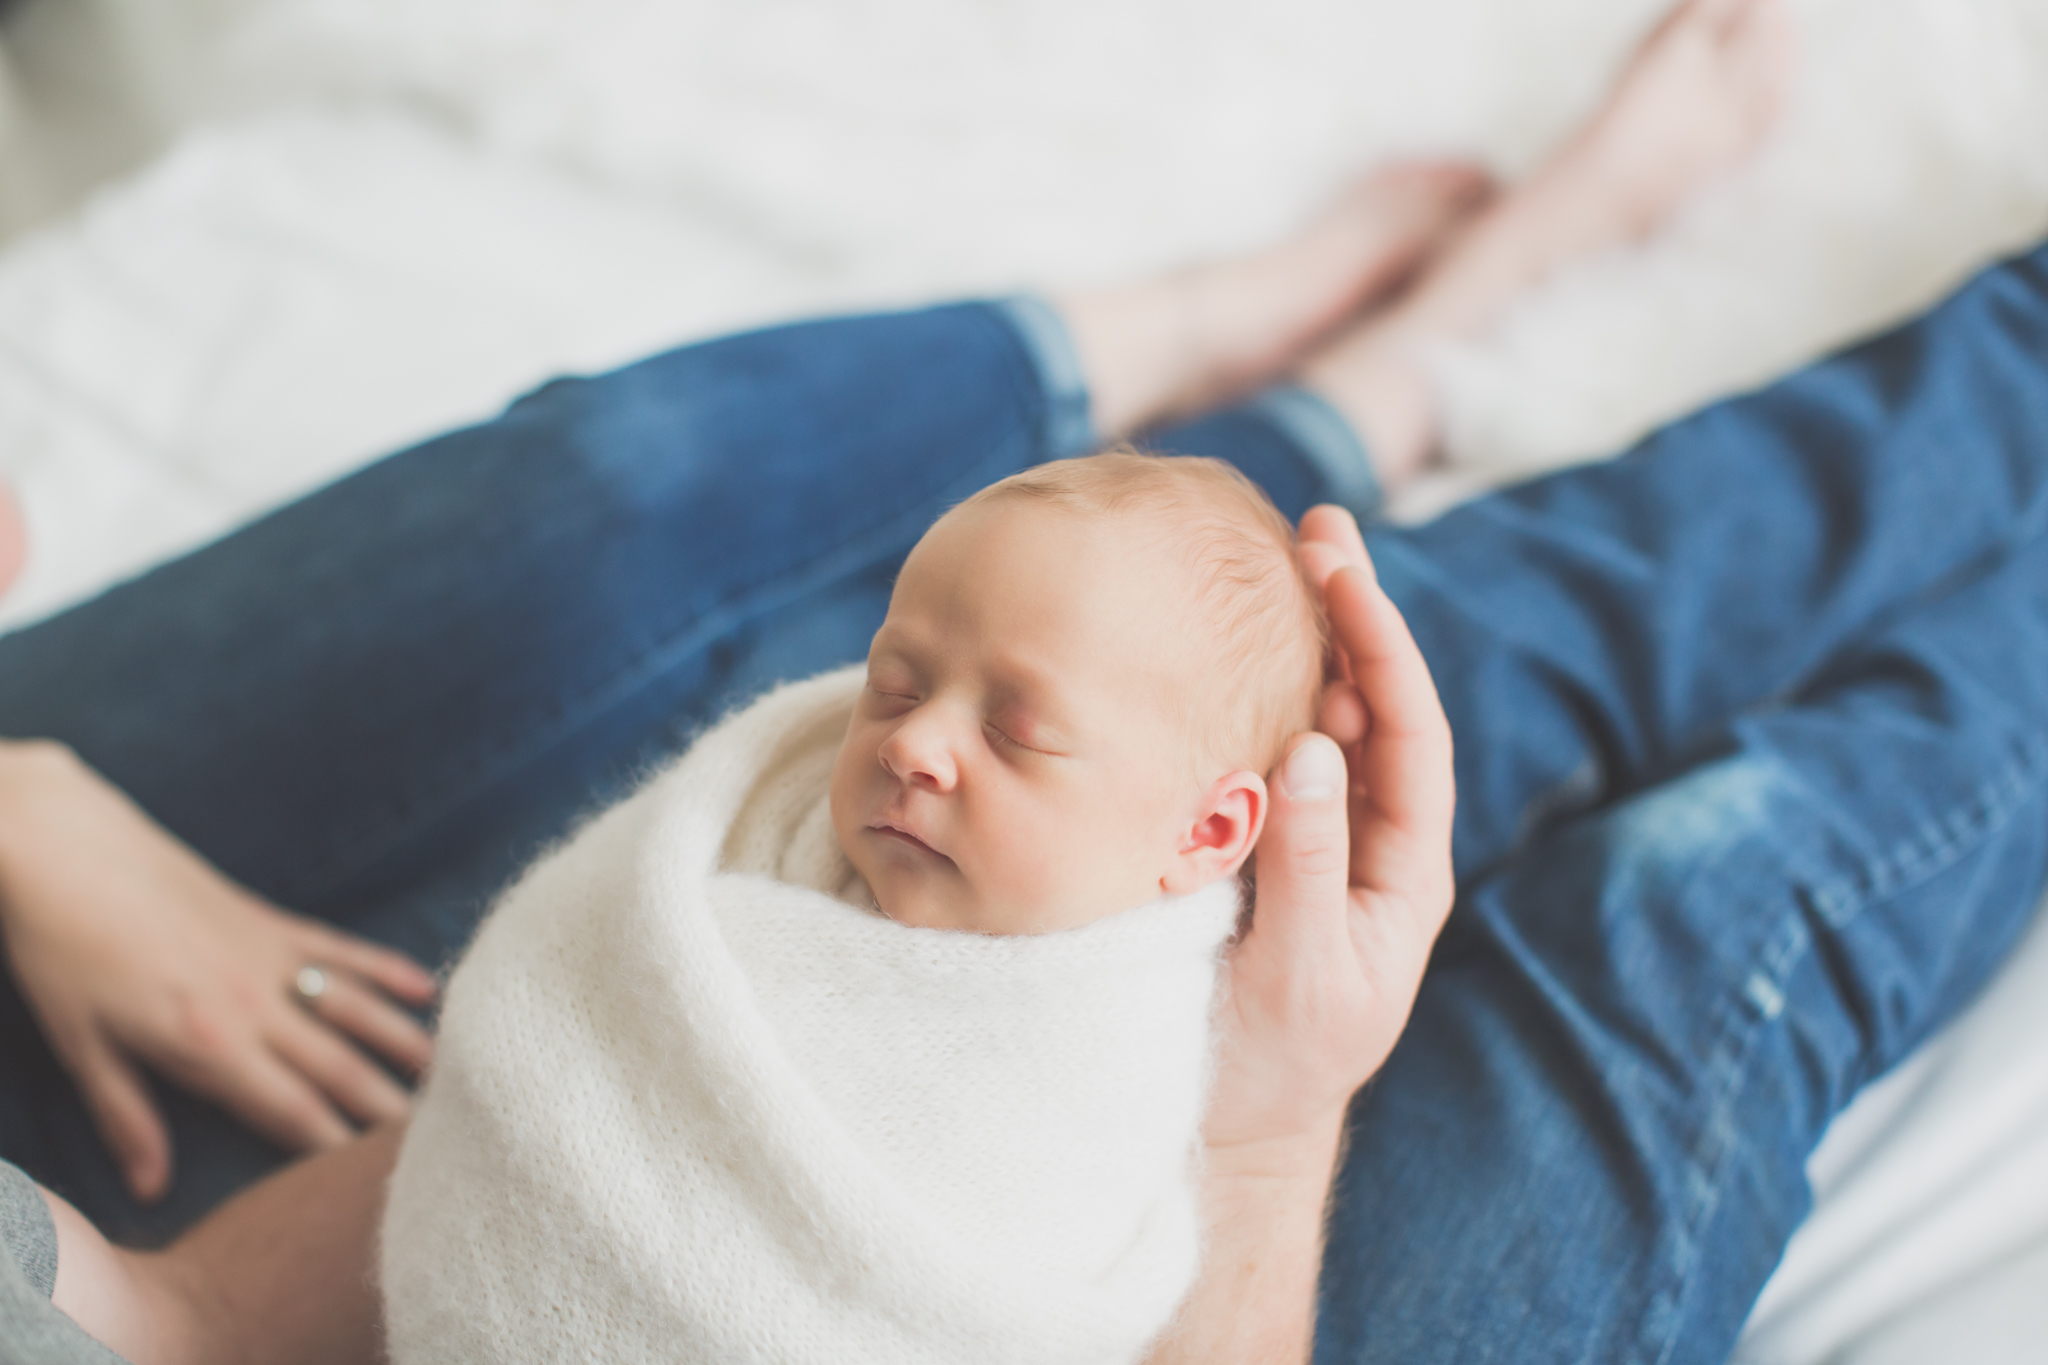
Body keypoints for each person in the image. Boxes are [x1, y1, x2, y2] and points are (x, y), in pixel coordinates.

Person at [17, 0, 2044, 1359]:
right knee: (1672, 913)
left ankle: (1383, 366)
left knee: (1367, 657)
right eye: (902, 688)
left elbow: (303, 1235)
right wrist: (1265, 1125)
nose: (896, 734)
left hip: (168, 1214)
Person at [382, 454, 1325, 1364]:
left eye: (1012, 732)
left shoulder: (1109, 1074)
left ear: (1204, 832)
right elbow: (562, 989)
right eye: (894, 684)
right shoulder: (760, 819)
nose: (913, 741)